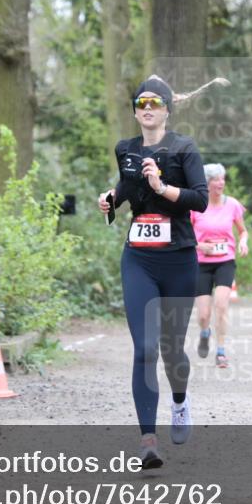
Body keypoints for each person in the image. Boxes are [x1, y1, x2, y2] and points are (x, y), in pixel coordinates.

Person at [97, 76, 208, 469]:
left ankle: (179, 401)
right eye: (141, 102)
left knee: (171, 349)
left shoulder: (183, 148)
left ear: (166, 109)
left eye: (155, 102)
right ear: (134, 110)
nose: (148, 108)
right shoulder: (125, 149)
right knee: (144, 349)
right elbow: (126, 191)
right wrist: (110, 201)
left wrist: (162, 188)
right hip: (139, 259)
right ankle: (147, 440)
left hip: (179, 259)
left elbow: (201, 200)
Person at [190, 164, 248, 369]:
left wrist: (243, 242)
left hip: (225, 261)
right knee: (204, 314)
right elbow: (184, 234)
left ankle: (221, 351)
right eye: (216, 179)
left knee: (221, 305)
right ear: (207, 183)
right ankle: (205, 333)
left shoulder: (232, 204)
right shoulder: (196, 205)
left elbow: (242, 231)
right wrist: (199, 245)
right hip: (201, 263)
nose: (220, 183)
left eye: (222, 179)